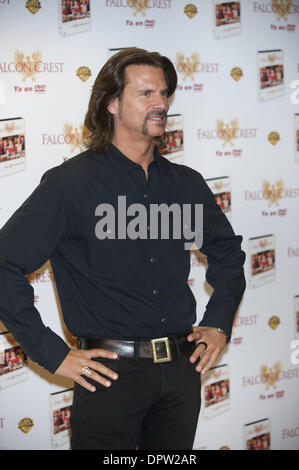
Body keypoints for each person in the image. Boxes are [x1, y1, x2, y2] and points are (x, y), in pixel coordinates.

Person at [0, 48, 246, 450]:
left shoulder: (186, 184)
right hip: (109, 378)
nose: (161, 104)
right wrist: (53, 353)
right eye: (146, 93)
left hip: (182, 375)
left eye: (164, 94)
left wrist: (218, 323)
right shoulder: (71, 184)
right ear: (112, 104)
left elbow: (228, 256)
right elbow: (4, 264)